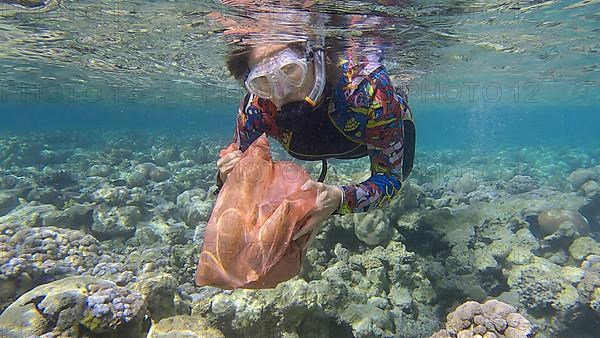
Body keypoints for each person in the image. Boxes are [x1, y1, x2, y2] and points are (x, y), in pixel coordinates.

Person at [215, 39, 416, 249]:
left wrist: (340, 199)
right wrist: (226, 176)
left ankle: (400, 91)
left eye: (290, 69)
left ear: (317, 60)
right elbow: (233, 165)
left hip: (371, 134)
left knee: (405, 170)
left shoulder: (368, 89)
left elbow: (390, 179)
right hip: (335, 139)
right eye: (262, 80)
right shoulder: (256, 108)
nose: (281, 91)